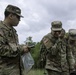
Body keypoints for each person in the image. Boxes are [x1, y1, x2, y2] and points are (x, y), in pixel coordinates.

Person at [0, 5, 30, 75]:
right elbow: (1, 49)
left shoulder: (13, 31)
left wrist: (24, 49)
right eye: (18, 17)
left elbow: (13, 49)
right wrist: (21, 49)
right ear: (10, 16)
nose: (19, 20)